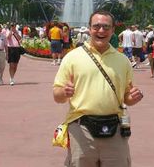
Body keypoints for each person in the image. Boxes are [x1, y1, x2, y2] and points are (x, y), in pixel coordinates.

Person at [53, 10, 144, 167]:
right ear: (89, 28)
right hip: (81, 129)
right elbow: (57, 95)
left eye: (106, 27)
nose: (101, 31)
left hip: (115, 130)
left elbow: (126, 98)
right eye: (96, 26)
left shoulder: (122, 61)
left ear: (113, 30)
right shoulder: (72, 58)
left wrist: (133, 97)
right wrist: (64, 92)